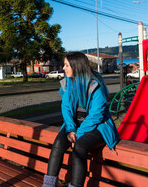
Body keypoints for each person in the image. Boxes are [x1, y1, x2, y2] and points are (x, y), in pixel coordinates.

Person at [42, 52, 119, 187]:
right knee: (58, 143)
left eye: (66, 65)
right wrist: (71, 129)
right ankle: (48, 184)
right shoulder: (67, 83)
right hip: (76, 124)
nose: (63, 68)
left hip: (99, 126)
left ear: (76, 66)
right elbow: (66, 108)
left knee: (80, 147)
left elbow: (97, 115)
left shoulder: (96, 84)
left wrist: (79, 133)